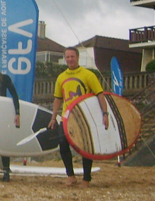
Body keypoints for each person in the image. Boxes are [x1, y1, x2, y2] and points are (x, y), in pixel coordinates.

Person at [47, 47, 109, 187]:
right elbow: (57, 99)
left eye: (72, 56)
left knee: (85, 147)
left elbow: (100, 94)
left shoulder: (88, 75)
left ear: (77, 57)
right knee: (63, 143)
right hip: (66, 117)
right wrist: (53, 118)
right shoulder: (61, 77)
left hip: (84, 117)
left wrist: (105, 113)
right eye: (67, 57)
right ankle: (71, 175)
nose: (70, 59)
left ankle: (86, 179)